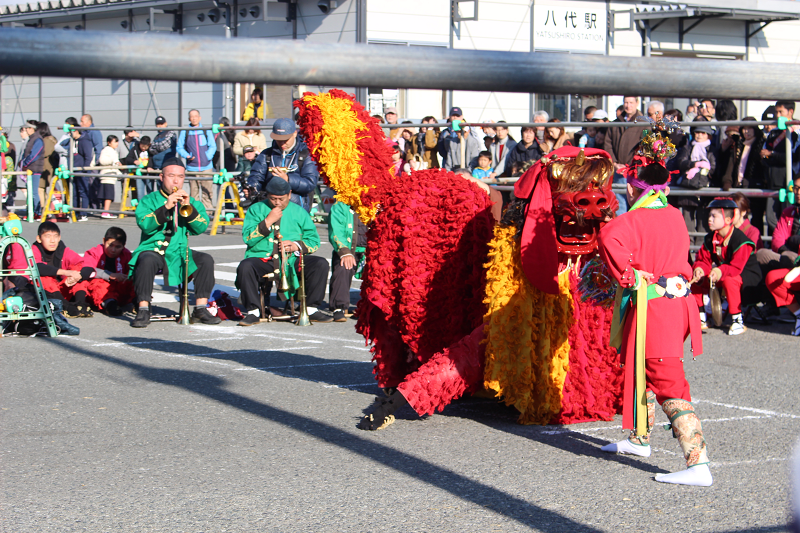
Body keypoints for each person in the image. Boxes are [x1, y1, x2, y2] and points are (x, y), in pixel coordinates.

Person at [598, 161, 711, 487]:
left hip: (656, 307)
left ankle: (698, 463)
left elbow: (607, 238)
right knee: (644, 371)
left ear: (633, 189)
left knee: (667, 379)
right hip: (677, 303)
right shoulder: (675, 214)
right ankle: (640, 439)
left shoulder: (631, 220)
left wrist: (631, 273)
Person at [128, 157, 221, 328]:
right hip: (154, 249)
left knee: (206, 260)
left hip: (178, 250)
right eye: (171, 176)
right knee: (146, 260)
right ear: (162, 177)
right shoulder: (149, 200)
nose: (176, 180)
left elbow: (200, 228)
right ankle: (143, 308)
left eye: (180, 176)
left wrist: (189, 209)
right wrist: (166, 207)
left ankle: (200, 307)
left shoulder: (190, 201)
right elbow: (145, 225)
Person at [235, 177, 331, 325]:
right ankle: (253, 311)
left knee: (320, 263)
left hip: (291, 259)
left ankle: (311, 309)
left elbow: (313, 240)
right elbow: (248, 238)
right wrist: (267, 221)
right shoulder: (256, 209)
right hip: (263, 258)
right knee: (245, 266)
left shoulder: (299, 211)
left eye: (281, 199)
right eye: (273, 199)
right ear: (267, 195)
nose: (277, 202)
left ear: (289, 194)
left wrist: (296, 246)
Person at [690, 198, 761, 335]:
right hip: (724, 273)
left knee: (730, 279)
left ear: (728, 220)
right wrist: (699, 269)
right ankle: (702, 317)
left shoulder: (741, 240)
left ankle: (737, 319)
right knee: (696, 278)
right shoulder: (710, 238)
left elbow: (736, 268)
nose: (709, 219)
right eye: (709, 215)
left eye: (714, 216)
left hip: (748, 278)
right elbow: (703, 260)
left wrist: (717, 271)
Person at [247, 118, 319, 211]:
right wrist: (252, 188)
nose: (282, 143)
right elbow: (256, 176)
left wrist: (288, 179)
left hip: (296, 210)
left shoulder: (306, 155)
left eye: (286, 139)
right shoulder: (266, 155)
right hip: (269, 208)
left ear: (295, 134)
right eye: (278, 139)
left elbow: (310, 183)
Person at [28, 221, 95, 317]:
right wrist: (66, 272)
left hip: (62, 288)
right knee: (44, 277)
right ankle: (65, 306)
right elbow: (37, 267)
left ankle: (81, 304)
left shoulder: (63, 250)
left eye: (55, 236)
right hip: (44, 292)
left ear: (59, 238)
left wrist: (77, 276)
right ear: (39, 238)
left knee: (78, 271)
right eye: (48, 236)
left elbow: (86, 264)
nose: (52, 240)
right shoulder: (34, 250)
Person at [761, 101, 800, 231]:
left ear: (790, 112)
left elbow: (793, 157)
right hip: (773, 181)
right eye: (776, 112)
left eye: (780, 112)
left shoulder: (797, 131)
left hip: (790, 182)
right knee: (771, 218)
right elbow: (763, 154)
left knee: (788, 217)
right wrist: (769, 157)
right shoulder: (773, 132)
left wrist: (772, 154)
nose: (777, 115)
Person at [604, 96, 645, 213]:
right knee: (619, 203)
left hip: (636, 170)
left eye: (631, 102)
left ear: (637, 103)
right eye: (626, 102)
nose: (628, 105)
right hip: (619, 170)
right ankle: (622, 230)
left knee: (636, 203)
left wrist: (634, 164)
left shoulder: (644, 123)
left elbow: (646, 146)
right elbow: (608, 144)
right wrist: (615, 163)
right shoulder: (615, 123)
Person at [328, 199, 367, 322]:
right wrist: (344, 252)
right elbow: (336, 231)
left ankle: (371, 305)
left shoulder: (376, 205)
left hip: (371, 251)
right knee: (344, 266)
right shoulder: (340, 205)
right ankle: (339, 307)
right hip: (349, 249)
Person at [83, 226, 134, 316]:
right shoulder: (94, 252)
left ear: (124, 245)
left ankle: (139, 303)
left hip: (120, 290)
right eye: (110, 245)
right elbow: (86, 270)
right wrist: (110, 275)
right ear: (104, 241)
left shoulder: (127, 255)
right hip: (99, 293)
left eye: (118, 247)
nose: (113, 250)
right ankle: (110, 305)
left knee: (136, 277)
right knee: (97, 281)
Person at [756, 175, 800, 273]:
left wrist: (792, 241)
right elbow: (777, 239)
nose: (798, 192)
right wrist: (785, 250)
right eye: (796, 188)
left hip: (796, 257)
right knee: (761, 254)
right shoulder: (788, 212)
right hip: (786, 255)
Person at [176, 109, 216, 212]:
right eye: (191, 116)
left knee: (207, 192)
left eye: (195, 116)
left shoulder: (206, 130)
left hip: (206, 167)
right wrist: (187, 156)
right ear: (189, 118)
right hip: (192, 167)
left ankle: (208, 213)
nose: (194, 118)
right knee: (194, 193)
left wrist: (207, 156)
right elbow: (179, 147)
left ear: (199, 117)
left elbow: (212, 146)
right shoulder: (185, 131)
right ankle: (196, 212)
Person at [438, 107, 484, 171]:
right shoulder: (446, 134)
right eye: (453, 115)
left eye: (457, 116)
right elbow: (447, 156)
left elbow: (475, 156)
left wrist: (469, 172)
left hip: (468, 169)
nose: (455, 118)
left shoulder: (472, 136)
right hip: (454, 168)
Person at [19, 120, 45, 216]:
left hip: (34, 169)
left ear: (32, 129)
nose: (26, 130)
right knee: (30, 192)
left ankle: (37, 212)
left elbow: (34, 155)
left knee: (34, 192)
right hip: (30, 169)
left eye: (27, 128)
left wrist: (25, 164)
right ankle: (32, 212)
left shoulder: (38, 139)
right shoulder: (32, 138)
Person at [70, 127, 95, 221]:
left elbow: (88, 156)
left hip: (82, 170)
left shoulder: (84, 141)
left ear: (76, 131)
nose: (70, 134)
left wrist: (85, 169)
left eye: (71, 132)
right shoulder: (72, 141)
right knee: (74, 193)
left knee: (83, 192)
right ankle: (74, 212)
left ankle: (83, 213)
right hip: (74, 170)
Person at [36, 123, 58, 218]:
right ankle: (45, 209)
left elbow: (45, 152)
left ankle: (45, 209)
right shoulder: (51, 139)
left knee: (43, 189)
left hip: (46, 168)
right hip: (47, 167)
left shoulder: (47, 140)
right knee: (42, 189)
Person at [97, 135, 122, 218]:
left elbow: (115, 164)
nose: (116, 143)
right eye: (115, 141)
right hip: (107, 175)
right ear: (109, 142)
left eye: (117, 141)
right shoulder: (106, 150)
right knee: (108, 195)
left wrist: (118, 173)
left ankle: (106, 211)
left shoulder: (113, 151)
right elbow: (102, 160)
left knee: (109, 195)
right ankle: (105, 212)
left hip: (111, 175)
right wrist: (113, 161)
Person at [122, 136, 153, 201]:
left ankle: (150, 206)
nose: (143, 148)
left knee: (150, 191)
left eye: (145, 147)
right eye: (142, 146)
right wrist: (134, 161)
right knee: (140, 192)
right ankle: (141, 206)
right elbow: (128, 159)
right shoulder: (135, 149)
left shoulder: (151, 150)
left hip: (149, 173)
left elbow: (153, 159)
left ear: (149, 145)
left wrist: (150, 166)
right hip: (139, 173)